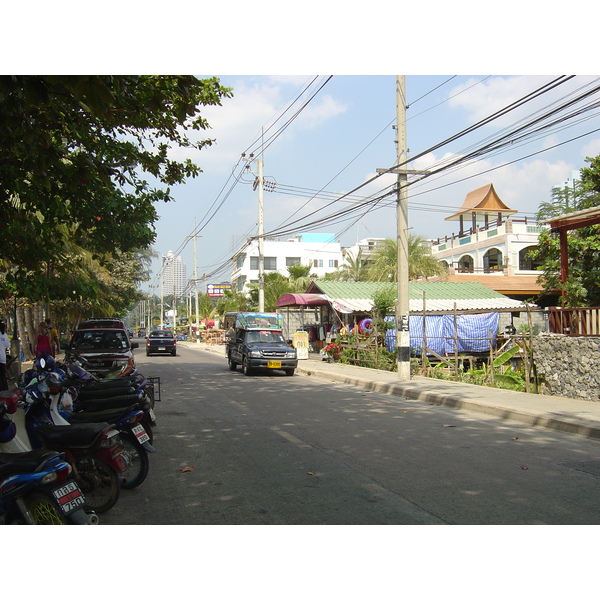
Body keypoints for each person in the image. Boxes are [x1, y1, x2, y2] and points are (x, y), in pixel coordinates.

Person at [0, 321, 10, 391]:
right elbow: (7, 346)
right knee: (2, 375)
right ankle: (4, 390)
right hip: (2, 357)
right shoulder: (5, 335)